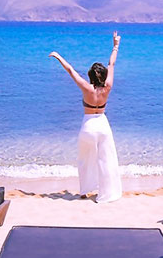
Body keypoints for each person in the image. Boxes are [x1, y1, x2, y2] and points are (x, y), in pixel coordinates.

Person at [49, 32, 122, 203]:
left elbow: (70, 70)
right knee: (106, 160)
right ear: (104, 75)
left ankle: (84, 191)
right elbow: (112, 63)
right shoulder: (108, 87)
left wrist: (58, 56)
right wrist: (115, 45)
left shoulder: (86, 88)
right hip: (103, 125)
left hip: (88, 126)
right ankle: (105, 193)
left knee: (85, 160)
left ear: (90, 76)